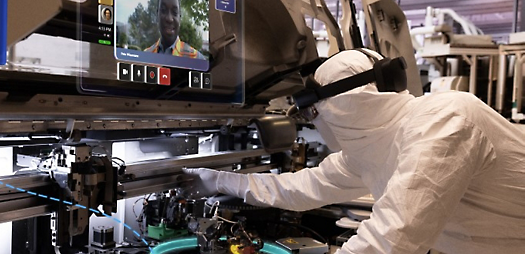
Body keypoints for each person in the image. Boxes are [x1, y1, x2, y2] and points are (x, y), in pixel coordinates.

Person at [183, 49, 525, 254]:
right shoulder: (372, 150)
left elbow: (391, 238)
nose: (314, 124)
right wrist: (218, 180)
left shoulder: (444, 121)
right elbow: (299, 188)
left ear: (342, 108)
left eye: (314, 114)